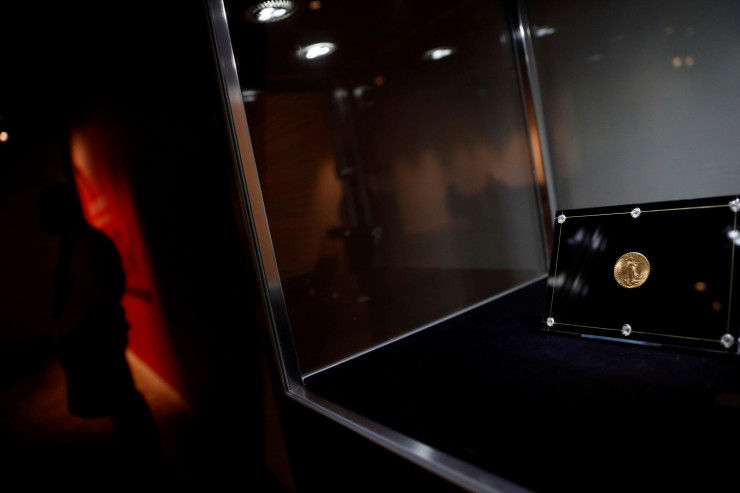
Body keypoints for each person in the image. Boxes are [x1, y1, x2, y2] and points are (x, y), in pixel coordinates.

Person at [37, 183, 164, 469]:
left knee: (121, 400)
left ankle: (148, 458)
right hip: (98, 333)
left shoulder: (84, 244)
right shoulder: (80, 242)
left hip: (97, 336)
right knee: (121, 400)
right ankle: (144, 455)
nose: (42, 219)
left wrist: (59, 331)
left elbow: (83, 296)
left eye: (46, 211)